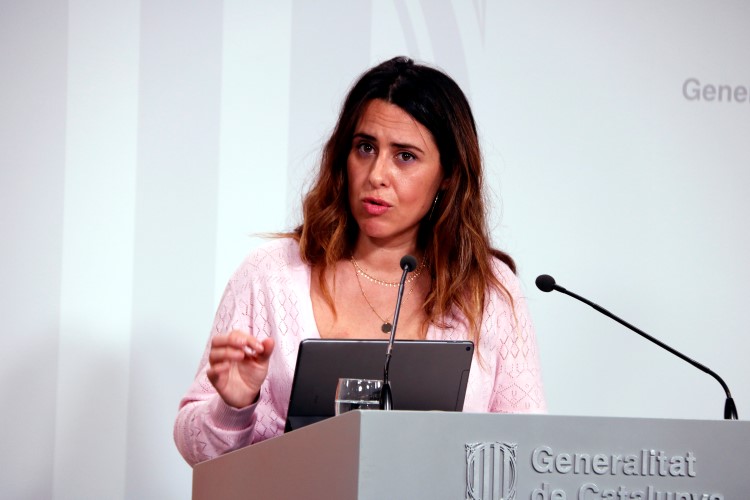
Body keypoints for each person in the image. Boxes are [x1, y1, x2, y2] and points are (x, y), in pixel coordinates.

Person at [174, 56, 546, 466]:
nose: (376, 175)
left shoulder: (487, 288)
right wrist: (233, 407)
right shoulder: (271, 274)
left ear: (449, 175)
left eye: (404, 156)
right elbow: (196, 450)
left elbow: (524, 449)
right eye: (365, 148)